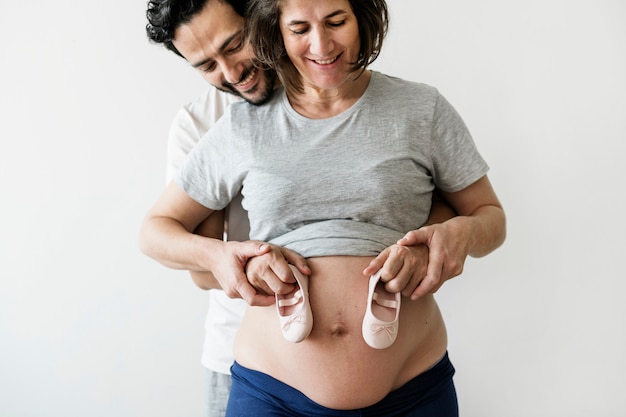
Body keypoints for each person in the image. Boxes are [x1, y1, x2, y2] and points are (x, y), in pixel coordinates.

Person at [141, 0, 504, 415]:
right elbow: (176, 247)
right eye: (207, 65)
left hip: (411, 387)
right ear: (278, 26)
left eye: (335, 21)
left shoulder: (419, 109)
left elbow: (480, 213)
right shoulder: (227, 124)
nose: (230, 71)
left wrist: (457, 233)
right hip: (269, 383)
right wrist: (230, 259)